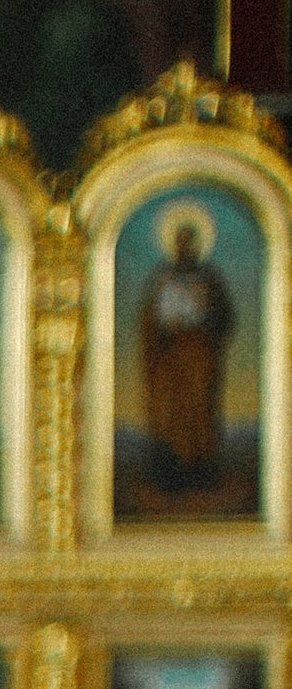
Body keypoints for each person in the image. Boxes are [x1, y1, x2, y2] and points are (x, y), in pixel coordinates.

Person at [143, 210, 234, 490]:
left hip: (199, 355)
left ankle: (201, 472)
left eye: (188, 241)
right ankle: (172, 474)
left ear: (195, 244)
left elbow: (225, 316)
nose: (184, 247)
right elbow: (148, 319)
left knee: (200, 412)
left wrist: (204, 323)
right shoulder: (163, 277)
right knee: (171, 413)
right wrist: (162, 332)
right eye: (179, 241)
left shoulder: (209, 278)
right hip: (170, 357)